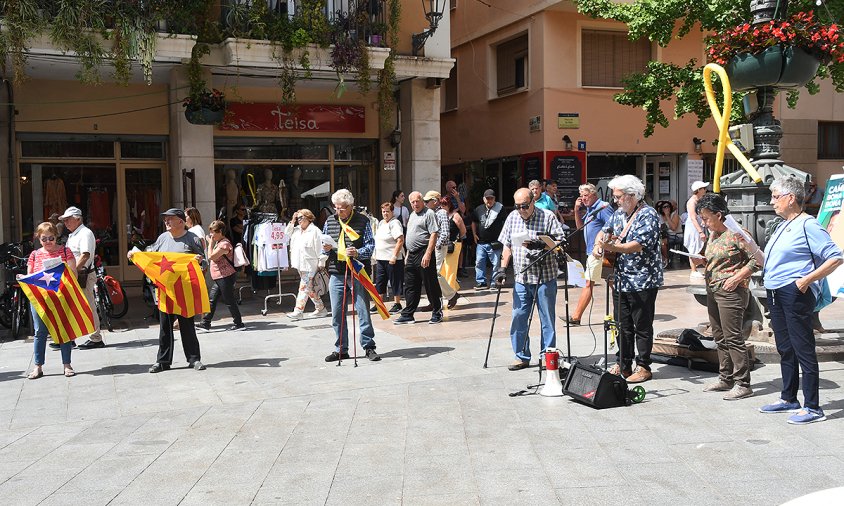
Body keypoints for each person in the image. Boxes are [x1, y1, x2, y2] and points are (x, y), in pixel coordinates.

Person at [759, 176, 843, 424]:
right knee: (785, 347)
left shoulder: (808, 225)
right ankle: (789, 398)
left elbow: (835, 257)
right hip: (775, 291)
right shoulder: (783, 224)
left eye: (776, 196)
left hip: (794, 293)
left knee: (802, 348)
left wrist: (805, 281)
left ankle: (814, 407)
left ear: (790, 198)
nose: (772, 201)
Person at [596, 174, 663, 383]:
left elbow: (636, 245)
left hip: (643, 279)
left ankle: (643, 366)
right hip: (620, 278)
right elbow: (604, 231)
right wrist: (600, 244)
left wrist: (611, 247)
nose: (615, 200)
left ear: (631, 195)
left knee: (642, 325)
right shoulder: (618, 214)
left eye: (618, 196)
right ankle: (623, 364)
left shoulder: (648, 215)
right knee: (622, 324)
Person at [697, 193, 762, 400]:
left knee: (733, 337)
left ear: (718, 214)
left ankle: (743, 383)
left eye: (706, 218)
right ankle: (726, 377)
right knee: (719, 336)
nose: (704, 222)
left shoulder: (738, 233)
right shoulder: (713, 234)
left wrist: (737, 277)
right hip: (713, 289)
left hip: (731, 291)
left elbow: (758, 260)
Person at [127, 208, 207, 373]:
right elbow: (151, 255)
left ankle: (194, 359)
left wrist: (199, 262)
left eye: (170, 219)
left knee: (187, 326)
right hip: (165, 290)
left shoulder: (192, 239)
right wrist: (135, 255)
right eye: (165, 219)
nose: (166, 222)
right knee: (165, 327)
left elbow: (204, 263)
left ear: (180, 221)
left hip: (184, 290)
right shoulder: (162, 238)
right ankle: (162, 361)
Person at [497, 188, 564, 371]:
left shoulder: (547, 216)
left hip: (545, 276)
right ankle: (521, 356)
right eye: (518, 206)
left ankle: (547, 355)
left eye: (525, 206)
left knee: (547, 319)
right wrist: (502, 268)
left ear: (533, 201)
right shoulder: (512, 217)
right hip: (521, 276)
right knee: (519, 316)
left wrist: (543, 244)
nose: (521, 210)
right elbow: (507, 245)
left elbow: (560, 241)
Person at [321, 189, 380, 362]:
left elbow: (370, 246)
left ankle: (369, 346)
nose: (338, 211)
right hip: (336, 271)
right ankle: (341, 348)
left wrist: (357, 252)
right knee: (337, 313)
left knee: (362, 310)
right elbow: (323, 242)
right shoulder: (330, 221)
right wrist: (324, 248)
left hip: (357, 270)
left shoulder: (362, 220)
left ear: (350, 206)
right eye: (336, 208)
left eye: (341, 208)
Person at [25, 222, 78, 379]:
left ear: (56, 237)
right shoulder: (34, 255)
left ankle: (67, 365)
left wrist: (62, 272)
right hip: (40, 298)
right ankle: (38, 367)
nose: (48, 241)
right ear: (38, 239)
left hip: (60, 297)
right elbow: (29, 276)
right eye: (44, 239)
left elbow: (73, 274)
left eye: (51, 238)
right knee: (39, 332)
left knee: (63, 330)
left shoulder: (65, 251)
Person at [56, 206, 105, 350]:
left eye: (68, 219)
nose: (65, 223)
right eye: (64, 220)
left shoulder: (85, 233)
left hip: (83, 275)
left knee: (88, 306)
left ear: (78, 219)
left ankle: (96, 338)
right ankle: (70, 338)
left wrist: (73, 271)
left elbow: (85, 255)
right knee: (71, 307)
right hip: (76, 274)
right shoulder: (74, 234)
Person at [568, 183, 614, 325]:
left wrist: (601, 245)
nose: (583, 198)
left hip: (599, 253)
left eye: (586, 195)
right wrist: (576, 210)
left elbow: (613, 227)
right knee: (613, 283)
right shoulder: (590, 210)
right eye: (581, 196)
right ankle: (624, 309)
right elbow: (580, 227)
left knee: (588, 282)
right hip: (592, 252)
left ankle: (576, 317)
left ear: (594, 195)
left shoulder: (603, 208)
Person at [394, 191, 442, 325]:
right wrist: (408, 254)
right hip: (412, 254)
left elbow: (434, 234)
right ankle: (408, 314)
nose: (415, 204)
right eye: (413, 202)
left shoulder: (429, 213)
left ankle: (437, 311)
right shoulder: (412, 215)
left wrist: (428, 253)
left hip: (424, 252)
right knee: (410, 285)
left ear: (422, 201)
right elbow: (410, 235)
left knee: (429, 283)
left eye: (417, 201)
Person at [196, 220, 245, 331]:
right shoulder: (220, 242)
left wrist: (210, 244)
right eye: (211, 232)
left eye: (213, 232)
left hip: (225, 276)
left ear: (221, 231)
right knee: (212, 299)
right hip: (220, 277)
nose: (211, 235)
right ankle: (205, 323)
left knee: (229, 300)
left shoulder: (224, 244)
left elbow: (211, 257)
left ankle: (238, 323)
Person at [285, 209, 328, 321]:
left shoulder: (315, 231)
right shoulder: (296, 230)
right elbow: (286, 234)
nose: (299, 220)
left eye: (301, 218)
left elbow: (321, 248)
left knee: (303, 287)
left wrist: (321, 262)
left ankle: (298, 311)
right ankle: (321, 308)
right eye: (298, 218)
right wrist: (292, 220)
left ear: (308, 218)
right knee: (310, 289)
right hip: (300, 263)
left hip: (311, 264)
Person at [424, 190, 458, 310]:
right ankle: (434, 301)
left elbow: (445, 233)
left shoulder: (441, 212)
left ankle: (451, 295)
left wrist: (436, 246)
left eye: (427, 201)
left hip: (438, 246)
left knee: (437, 273)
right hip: (431, 247)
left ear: (434, 201)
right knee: (430, 274)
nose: (425, 203)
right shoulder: (431, 213)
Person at [472, 189, 507, 290]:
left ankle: (494, 282)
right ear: (484, 199)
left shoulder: (500, 209)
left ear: (494, 199)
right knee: (479, 262)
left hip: (495, 242)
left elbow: (505, 223)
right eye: (487, 198)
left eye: (491, 198)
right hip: (481, 242)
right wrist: (474, 234)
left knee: (496, 263)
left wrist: (504, 237)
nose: (489, 200)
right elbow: (474, 221)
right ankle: (481, 282)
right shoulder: (478, 209)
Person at [374, 202, 405, 314]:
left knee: (395, 281)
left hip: (392, 259)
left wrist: (394, 256)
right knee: (380, 281)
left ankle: (397, 303)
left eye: (387, 211)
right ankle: (379, 303)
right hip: (381, 258)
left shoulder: (395, 223)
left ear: (392, 212)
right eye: (383, 211)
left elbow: (400, 240)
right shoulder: (381, 223)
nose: (385, 213)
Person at [440, 196, 466, 309]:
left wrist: (456, 240)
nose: (442, 207)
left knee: (450, 271)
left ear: (449, 205)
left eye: (444, 205)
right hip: (444, 246)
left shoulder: (455, 216)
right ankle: (454, 292)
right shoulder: (441, 215)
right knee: (443, 271)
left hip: (454, 246)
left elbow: (463, 231)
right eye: (441, 205)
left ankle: (451, 298)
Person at [684, 181, 709, 278]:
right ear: (698, 190)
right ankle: (693, 270)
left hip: (700, 226)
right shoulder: (692, 201)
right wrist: (700, 231)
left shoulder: (700, 200)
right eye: (703, 188)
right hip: (693, 227)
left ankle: (704, 267)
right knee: (693, 247)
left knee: (701, 247)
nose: (705, 190)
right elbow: (693, 218)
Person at [656, 199, 682, 267]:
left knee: (662, 243)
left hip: (676, 235)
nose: (666, 208)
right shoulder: (660, 216)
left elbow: (673, 228)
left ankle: (666, 260)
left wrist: (667, 216)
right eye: (664, 207)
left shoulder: (674, 215)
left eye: (668, 206)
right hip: (665, 235)